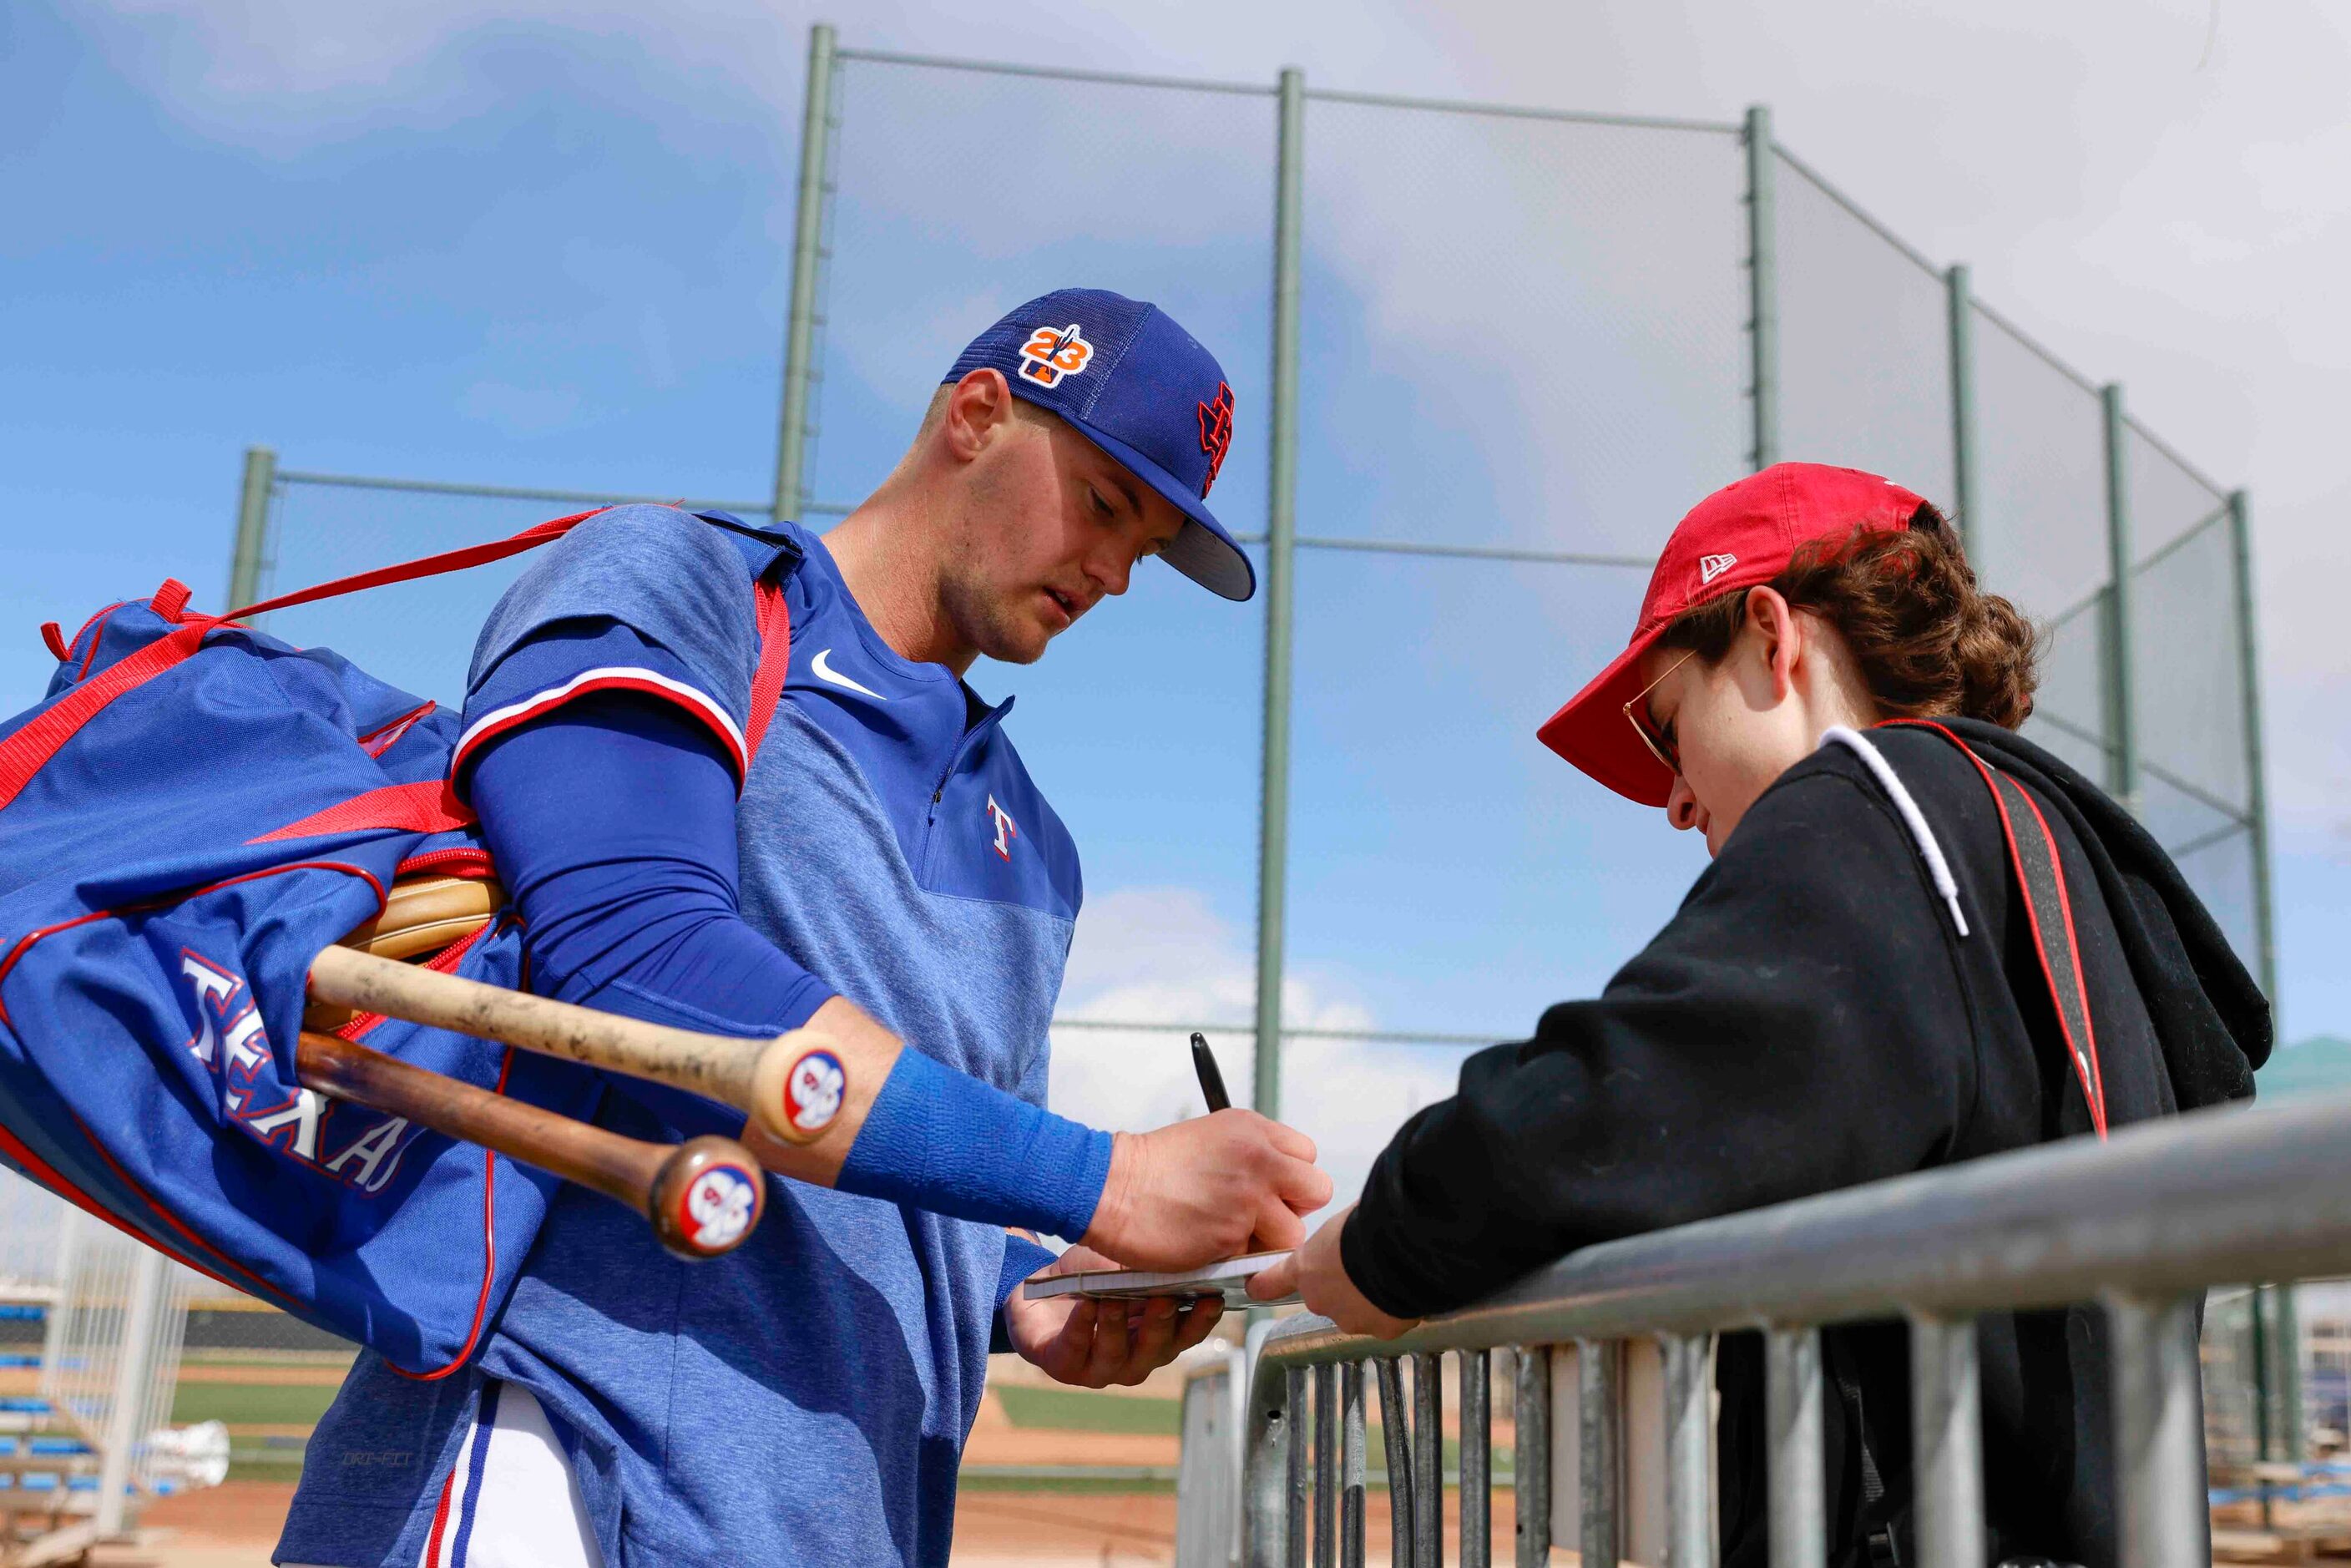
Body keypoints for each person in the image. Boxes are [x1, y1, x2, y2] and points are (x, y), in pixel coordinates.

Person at [280, 288, 1333, 1568]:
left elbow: (926, 1178)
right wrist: (1110, 1179)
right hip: (553, 1468)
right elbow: (627, 965)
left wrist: (1025, 1294)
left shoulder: (1038, 845)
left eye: (1148, 545)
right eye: (1107, 504)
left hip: (845, 1518)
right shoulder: (688, 588)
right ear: (978, 413)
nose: (1115, 572)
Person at [1251, 462, 2269, 1566]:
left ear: (1772, 637)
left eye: (1668, 729)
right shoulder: (2044, 852)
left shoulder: (1878, 812)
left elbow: (1619, 1108)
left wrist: (1382, 1241)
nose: (1677, 796)